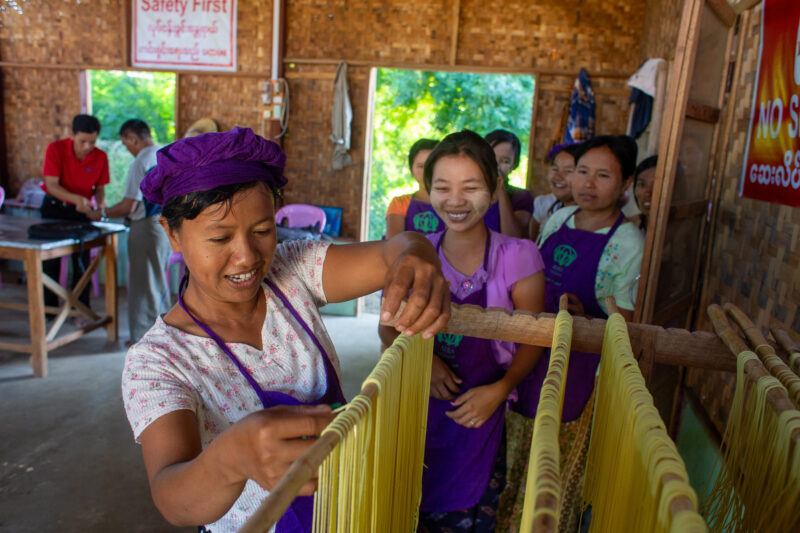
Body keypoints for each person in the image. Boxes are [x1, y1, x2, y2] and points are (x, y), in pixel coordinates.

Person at [120, 127, 450, 533]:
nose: (246, 256)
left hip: (347, 508)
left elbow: (393, 251)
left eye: (262, 231)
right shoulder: (159, 361)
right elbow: (173, 499)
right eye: (220, 237)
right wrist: (231, 458)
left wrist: (415, 254)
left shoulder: (293, 273)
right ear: (172, 234)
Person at [413, 130, 545, 532]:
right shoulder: (418, 253)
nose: (455, 201)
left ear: (494, 187)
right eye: (442, 187)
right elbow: (389, 330)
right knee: (411, 503)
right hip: (423, 406)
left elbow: (534, 336)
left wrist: (503, 387)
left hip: (488, 410)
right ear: (427, 189)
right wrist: (428, 359)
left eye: (470, 187)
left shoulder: (519, 256)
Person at [523, 135, 644, 530]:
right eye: (582, 172)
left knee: (559, 459)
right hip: (534, 348)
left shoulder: (629, 242)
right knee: (522, 442)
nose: (588, 184)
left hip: (583, 366)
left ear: (625, 183)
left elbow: (628, 317)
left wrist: (589, 316)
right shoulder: (559, 219)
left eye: (603, 175)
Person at [88, 119, 171, 345]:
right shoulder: (165, 155)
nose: (128, 149)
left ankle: (146, 340)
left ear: (133, 138)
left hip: (145, 228)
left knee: (144, 287)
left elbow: (128, 206)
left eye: (126, 144)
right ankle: (164, 335)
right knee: (157, 282)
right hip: (165, 226)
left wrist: (101, 213)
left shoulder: (140, 162)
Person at [41, 114, 109, 312]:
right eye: (83, 141)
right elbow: (52, 185)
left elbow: (99, 189)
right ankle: (49, 311)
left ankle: (80, 309)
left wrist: (99, 206)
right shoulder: (56, 149)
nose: (87, 146)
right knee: (50, 260)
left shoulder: (101, 156)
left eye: (92, 142)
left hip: (83, 213)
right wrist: (77, 200)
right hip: (55, 209)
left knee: (82, 260)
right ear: (72, 134)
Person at [385, 138, 441, 238]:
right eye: (421, 166)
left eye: (431, 165)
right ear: (411, 170)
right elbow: (393, 245)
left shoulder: (451, 204)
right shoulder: (400, 204)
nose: (427, 171)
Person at [484, 129, 534, 238]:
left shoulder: (521, 197)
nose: (496, 166)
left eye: (505, 161)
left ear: (514, 165)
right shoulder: (468, 192)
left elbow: (513, 238)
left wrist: (500, 189)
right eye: (491, 158)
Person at [529, 142, 581, 240]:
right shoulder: (545, 205)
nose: (558, 176)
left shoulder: (588, 220)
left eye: (568, 171)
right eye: (555, 169)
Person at [632, 155, 657, 231]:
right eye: (642, 184)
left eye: (656, 186)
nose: (648, 193)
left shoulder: (683, 230)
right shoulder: (628, 227)